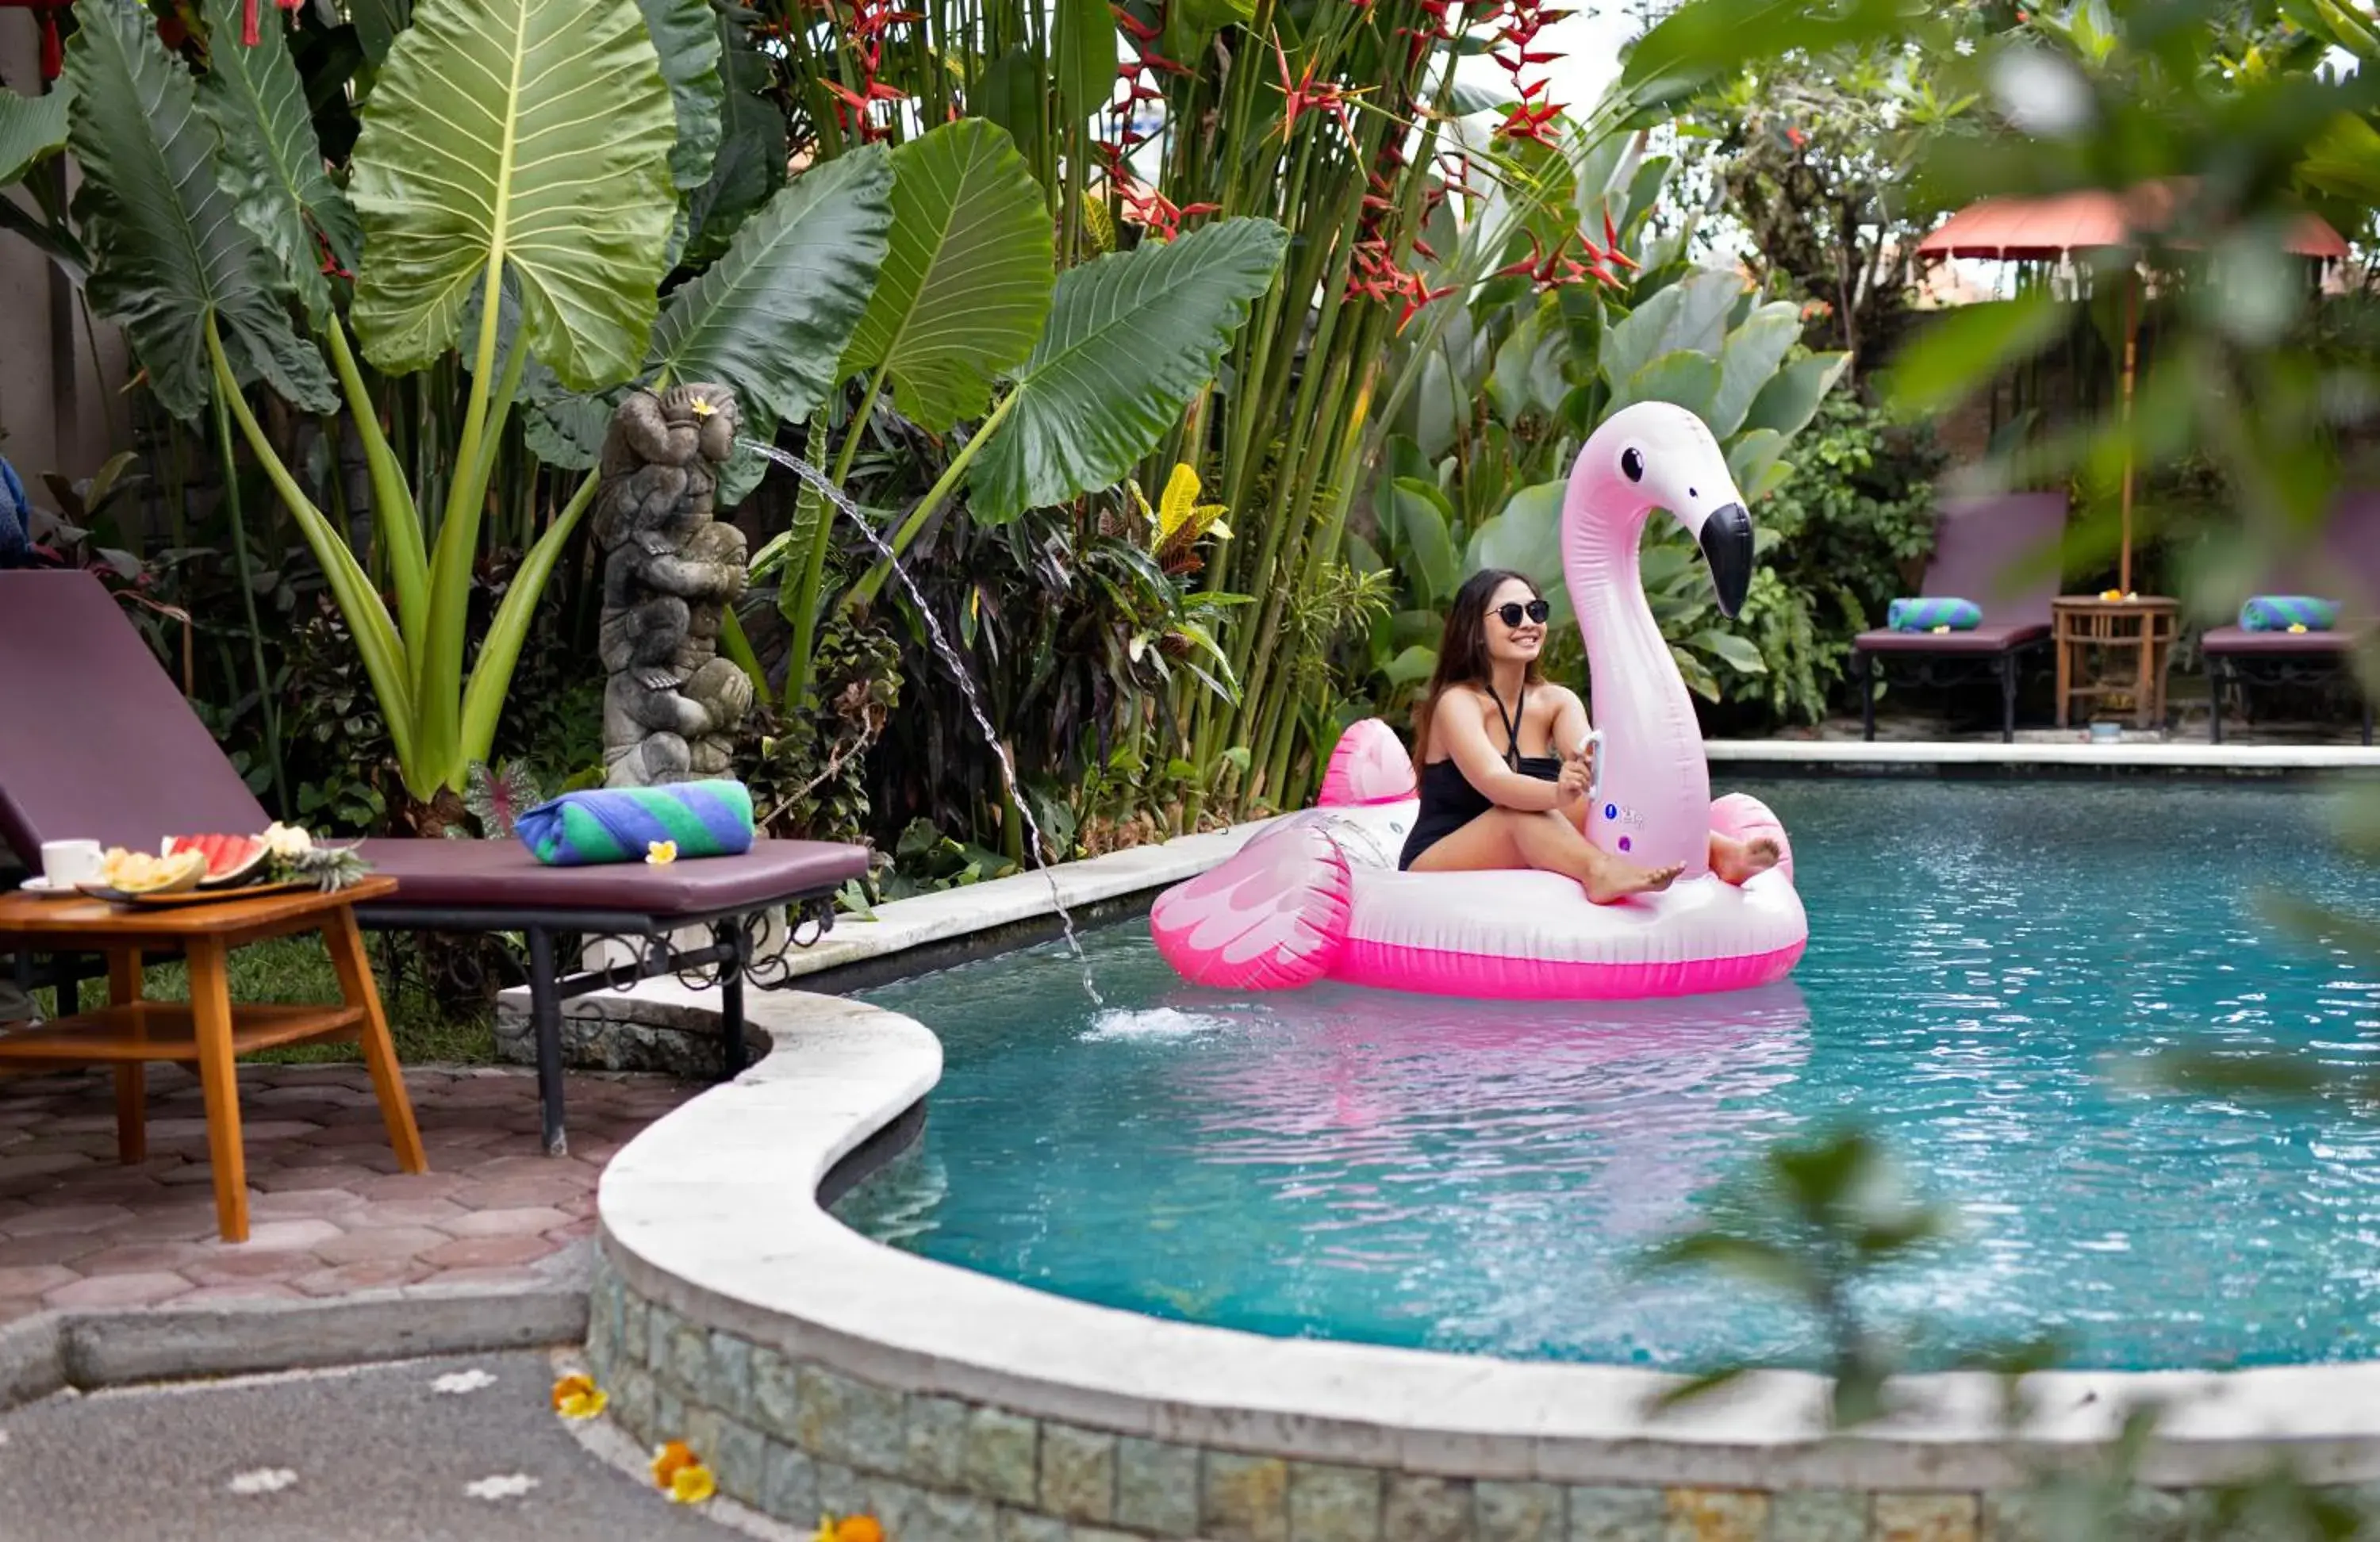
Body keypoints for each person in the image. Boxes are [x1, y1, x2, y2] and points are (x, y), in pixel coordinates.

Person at [1395, 569, 1778, 901]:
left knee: (1598, 804)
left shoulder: (1556, 701)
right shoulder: (1458, 702)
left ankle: (1719, 852)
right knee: (1521, 813)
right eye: (1511, 615)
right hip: (1439, 854)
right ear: (1476, 631)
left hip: (1516, 833)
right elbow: (1497, 783)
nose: (1528, 623)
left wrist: (1595, 771)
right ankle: (1599, 872)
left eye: (1537, 611)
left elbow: (1591, 759)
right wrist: (1556, 793)